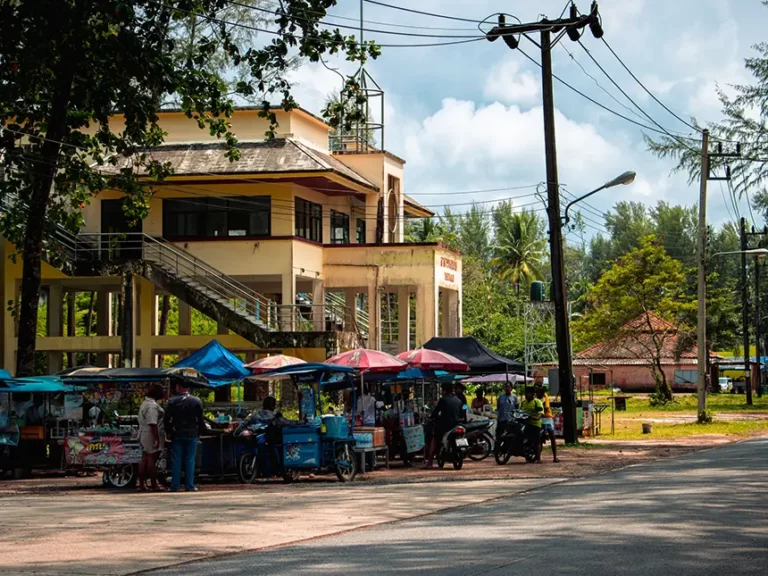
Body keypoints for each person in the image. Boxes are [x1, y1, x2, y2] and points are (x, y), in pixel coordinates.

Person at [163, 380, 206, 492]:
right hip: (192, 433)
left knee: (176, 460)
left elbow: (166, 419)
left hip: (177, 433)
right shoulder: (196, 401)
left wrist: (170, 432)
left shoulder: (172, 401)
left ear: (178, 387)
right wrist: (200, 432)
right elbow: (201, 419)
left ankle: (175, 485)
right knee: (190, 460)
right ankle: (189, 485)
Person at [425, 382, 463, 469]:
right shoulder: (458, 400)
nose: (441, 392)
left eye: (442, 390)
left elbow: (436, 412)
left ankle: (430, 462)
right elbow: (461, 414)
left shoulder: (443, 400)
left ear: (445, 391)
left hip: (444, 426)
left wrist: (432, 416)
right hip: (456, 424)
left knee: (434, 439)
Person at [137, 384, 165, 492]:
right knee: (151, 459)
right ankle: (154, 484)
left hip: (143, 433)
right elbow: (152, 423)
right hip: (150, 434)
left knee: (144, 459)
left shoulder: (145, 403)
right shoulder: (152, 406)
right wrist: (156, 439)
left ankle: (141, 484)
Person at [535, 384, 559, 463]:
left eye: (538, 391)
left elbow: (546, 407)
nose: (537, 392)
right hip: (539, 418)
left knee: (552, 436)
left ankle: (555, 457)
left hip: (547, 418)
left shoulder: (545, 397)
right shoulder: (535, 398)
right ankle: (538, 458)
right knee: (538, 438)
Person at [520, 386, 544, 463]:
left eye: (529, 393)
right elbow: (520, 412)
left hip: (535, 424)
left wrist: (537, 417)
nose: (527, 395)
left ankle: (538, 458)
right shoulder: (523, 403)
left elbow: (540, 412)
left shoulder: (537, 402)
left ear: (533, 394)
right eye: (526, 393)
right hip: (525, 424)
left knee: (536, 441)